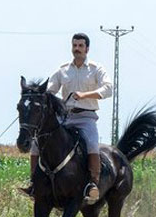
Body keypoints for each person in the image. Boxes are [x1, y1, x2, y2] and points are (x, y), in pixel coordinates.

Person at [20, 33, 112, 204]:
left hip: (86, 117)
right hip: (64, 117)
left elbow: (108, 89)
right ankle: (34, 183)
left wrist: (85, 94)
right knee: (36, 144)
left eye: (80, 46)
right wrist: (34, 98)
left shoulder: (95, 69)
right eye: (75, 45)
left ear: (87, 49)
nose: (77, 49)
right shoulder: (63, 70)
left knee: (92, 144)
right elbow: (50, 90)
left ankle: (92, 184)